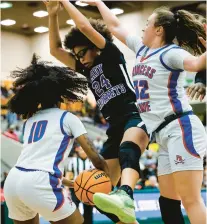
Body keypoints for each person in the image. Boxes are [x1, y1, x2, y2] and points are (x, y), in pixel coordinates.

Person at [82, 1, 207, 224]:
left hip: (181, 127)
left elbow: (196, 63)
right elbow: (115, 26)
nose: (143, 28)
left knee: (190, 199)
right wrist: (98, 3)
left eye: (147, 23)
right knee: (168, 202)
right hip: (163, 134)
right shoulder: (141, 50)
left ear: (158, 29)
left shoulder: (171, 53)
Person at [44, 1, 149, 223]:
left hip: (134, 115)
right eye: (77, 55)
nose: (80, 58)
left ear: (94, 46)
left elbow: (83, 27)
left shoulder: (110, 54)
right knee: (96, 194)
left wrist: (65, 2)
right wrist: (52, 15)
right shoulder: (85, 68)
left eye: (82, 52)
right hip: (113, 126)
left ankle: (127, 196)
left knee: (127, 150)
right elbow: (54, 50)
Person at [3, 54, 109, 224]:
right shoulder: (67, 118)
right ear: (61, 95)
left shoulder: (30, 120)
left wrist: (73, 183)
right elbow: (96, 159)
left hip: (14, 181)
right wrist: (110, 180)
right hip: (40, 183)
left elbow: (35, 165)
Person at [65, 143, 94, 224]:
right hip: (75, 188)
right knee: (74, 209)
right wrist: (66, 188)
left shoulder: (91, 161)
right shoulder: (73, 161)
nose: (83, 151)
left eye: (84, 149)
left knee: (88, 210)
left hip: (88, 189)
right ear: (77, 150)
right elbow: (69, 174)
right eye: (81, 149)